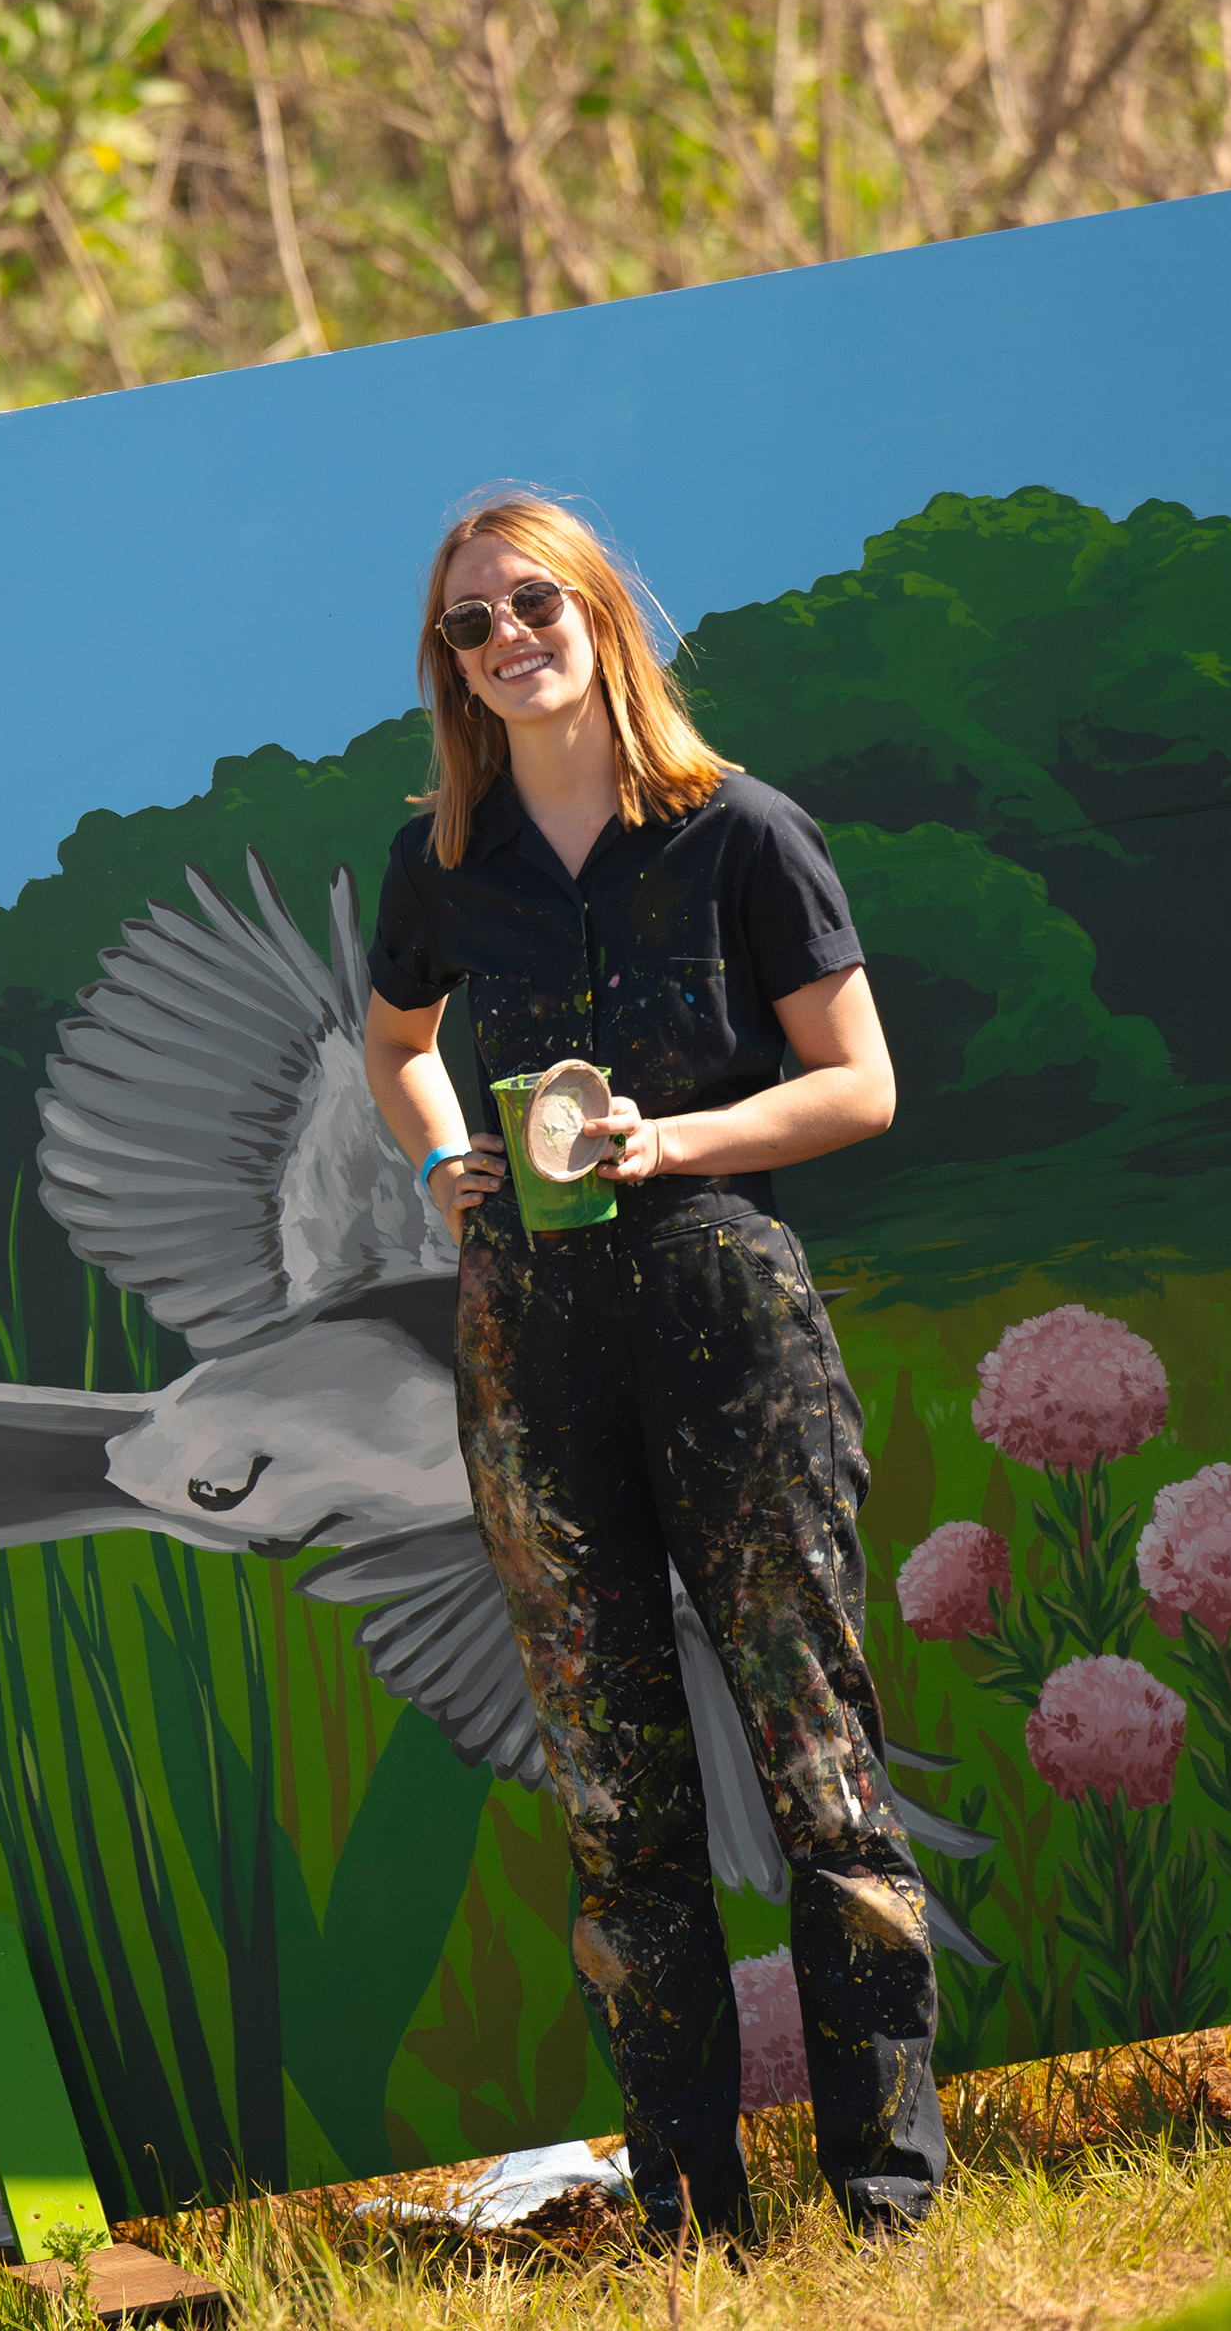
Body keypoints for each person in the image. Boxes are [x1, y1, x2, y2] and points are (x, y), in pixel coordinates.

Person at [356, 488, 942, 2241]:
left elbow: (861, 1085)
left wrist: (667, 1149)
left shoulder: (738, 830)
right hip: (530, 1353)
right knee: (617, 1803)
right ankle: (695, 2215)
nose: (506, 640)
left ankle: (889, 2199)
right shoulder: (436, 864)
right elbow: (395, 1044)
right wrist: (440, 1159)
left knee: (822, 1772)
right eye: (470, 624)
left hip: (728, 1324)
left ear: (603, 611)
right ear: (447, 665)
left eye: (532, 602)